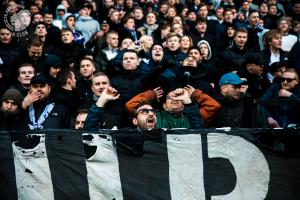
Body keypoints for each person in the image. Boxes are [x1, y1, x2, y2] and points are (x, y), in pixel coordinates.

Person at [126, 85, 220, 128]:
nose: (174, 99)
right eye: (169, 98)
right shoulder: (155, 116)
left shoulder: (194, 114)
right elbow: (131, 106)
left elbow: (214, 106)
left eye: (178, 98)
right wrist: (151, 94)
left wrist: (193, 95)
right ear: (164, 106)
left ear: (184, 104)